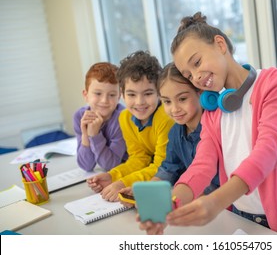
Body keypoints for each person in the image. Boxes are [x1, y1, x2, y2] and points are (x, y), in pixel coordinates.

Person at [139, 12, 277, 235]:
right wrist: (173, 204)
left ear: (220, 44)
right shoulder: (214, 109)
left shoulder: (273, 83)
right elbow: (202, 164)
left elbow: (269, 150)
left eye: (197, 63)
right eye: (188, 75)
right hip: (243, 219)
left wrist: (215, 202)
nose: (195, 77)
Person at [118, 63, 219, 207]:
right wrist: (146, 189)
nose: (174, 109)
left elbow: (216, 180)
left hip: (223, 206)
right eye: (167, 101)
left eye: (182, 99)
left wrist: (176, 198)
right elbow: (169, 168)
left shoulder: (215, 127)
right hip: (196, 203)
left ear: (200, 92)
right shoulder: (176, 132)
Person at [87, 50, 175, 202]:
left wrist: (123, 183)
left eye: (147, 93)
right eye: (132, 94)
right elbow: (139, 158)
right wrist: (112, 176)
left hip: (173, 179)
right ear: (122, 94)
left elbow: (161, 167)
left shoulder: (166, 118)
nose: (139, 102)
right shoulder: (125, 117)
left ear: (159, 92)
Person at [73, 62, 127, 172]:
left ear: (119, 96)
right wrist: (85, 135)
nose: (104, 101)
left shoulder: (122, 119)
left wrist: (94, 135)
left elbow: (111, 165)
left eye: (112, 95)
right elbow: (86, 166)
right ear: (86, 95)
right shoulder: (79, 116)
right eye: (98, 94)